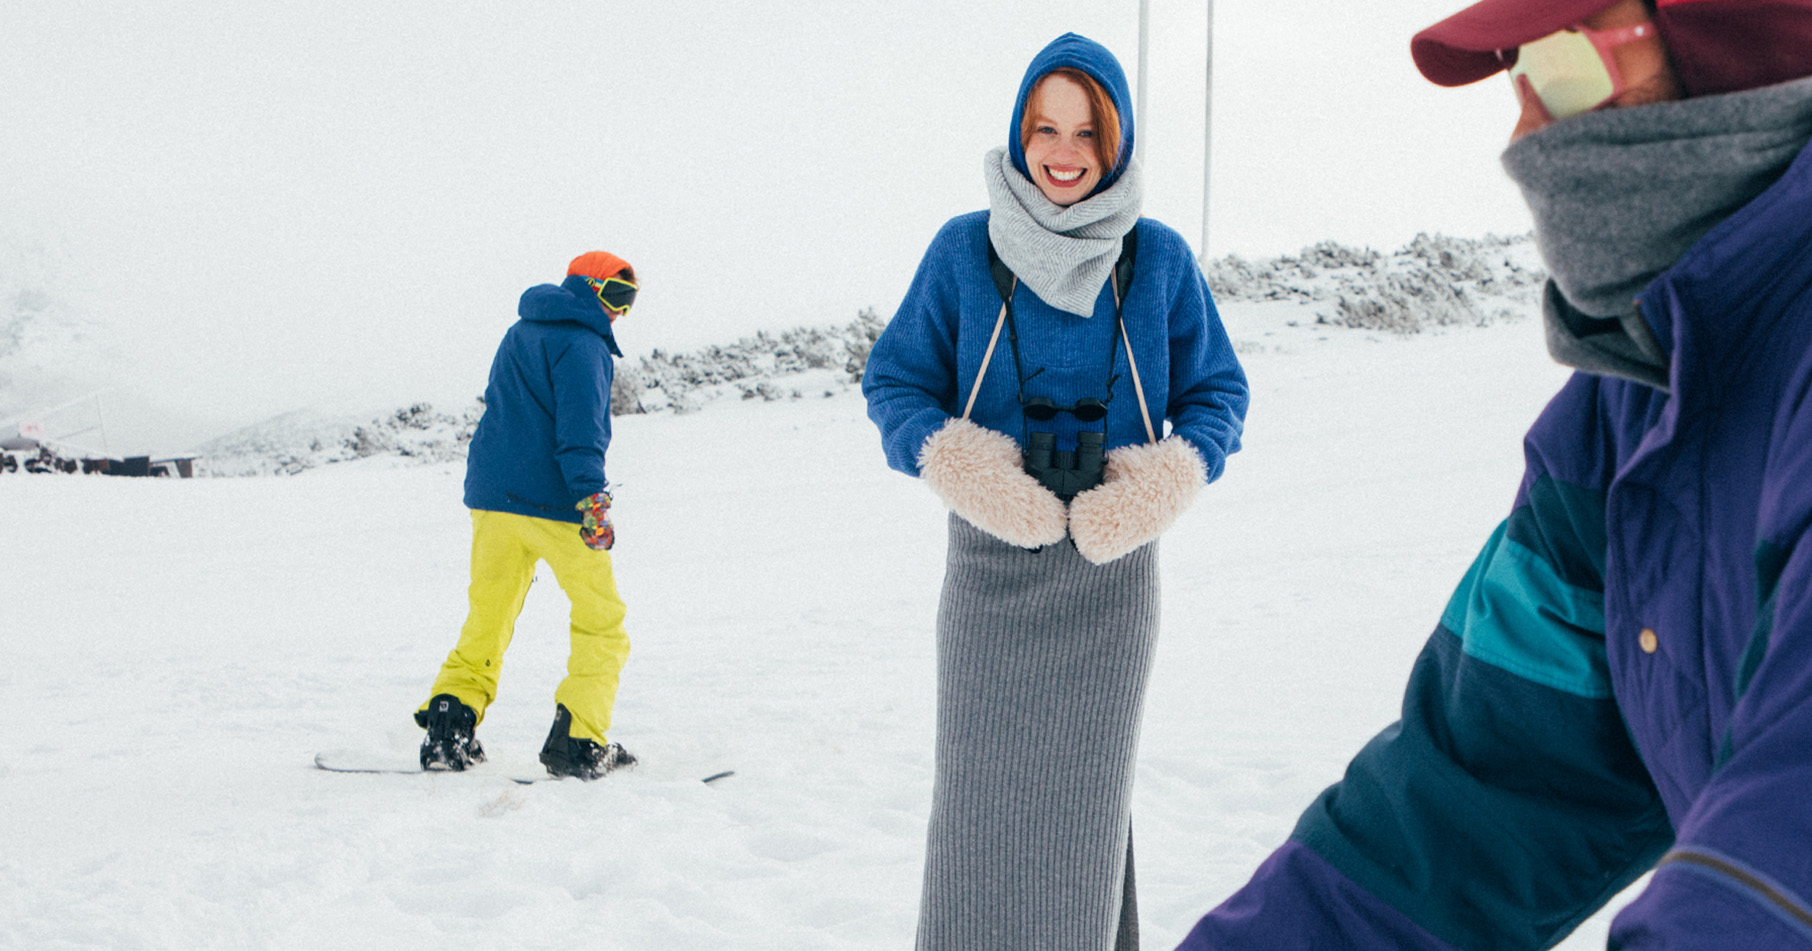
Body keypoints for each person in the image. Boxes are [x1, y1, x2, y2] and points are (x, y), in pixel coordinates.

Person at [1178, 1, 1812, 947]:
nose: (1524, 132)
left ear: (1741, 40)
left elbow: (1771, 876)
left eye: (1560, 70)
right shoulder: (1625, 417)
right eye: (1520, 80)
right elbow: (1465, 804)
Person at [862, 33, 1249, 951]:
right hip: (992, 567)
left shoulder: (1157, 259)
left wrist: (1155, 489)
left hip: (1112, 574)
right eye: (1045, 128)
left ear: (1114, 143)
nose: (1063, 152)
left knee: (1086, 800)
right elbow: (895, 384)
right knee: (980, 804)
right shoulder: (965, 250)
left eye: (1086, 131)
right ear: (1019, 134)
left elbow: (1219, 394)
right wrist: (967, 470)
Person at [415, 251, 642, 781]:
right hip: (557, 505)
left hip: (493, 500)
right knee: (601, 620)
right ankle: (580, 741)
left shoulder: (520, 332)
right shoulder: (585, 345)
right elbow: (581, 433)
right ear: (586, 290)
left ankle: (449, 726)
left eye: (628, 302)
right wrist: (592, 502)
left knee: (488, 615)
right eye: (614, 296)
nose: (619, 313)